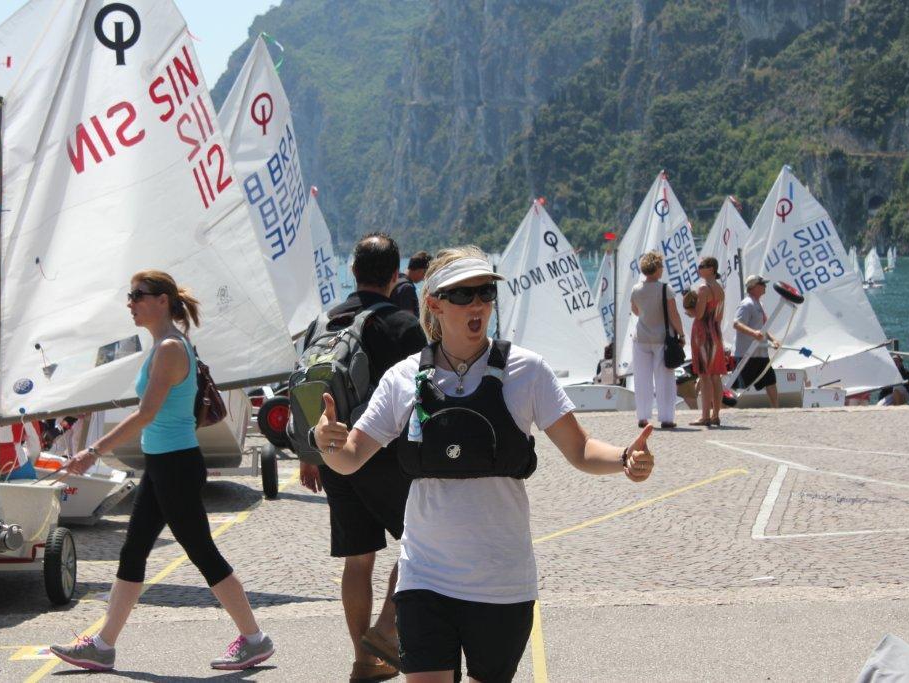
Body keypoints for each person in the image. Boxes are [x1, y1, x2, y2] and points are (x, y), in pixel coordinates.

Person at [314, 246, 655, 683]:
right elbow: (349, 458)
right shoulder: (403, 378)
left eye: (484, 293)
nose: (477, 305)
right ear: (434, 302)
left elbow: (581, 449)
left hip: (502, 582)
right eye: (462, 295)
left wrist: (626, 459)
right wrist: (326, 442)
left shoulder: (527, 371)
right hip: (424, 579)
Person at [50, 270, 273, 672]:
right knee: (133, 550)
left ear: (162, 300)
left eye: (138, 295)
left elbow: (146, 413)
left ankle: (255, 639)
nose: (130, 303)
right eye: (130, 295)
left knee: (202, 552)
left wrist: (92, 451)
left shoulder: (171, 348)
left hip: (176, 466)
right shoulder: (162, 346)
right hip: (163, 465)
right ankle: (102, 645)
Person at [299, 233, 428, 683]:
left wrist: (310, 454)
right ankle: (384, 632)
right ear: (395, 277)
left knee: (358, 560)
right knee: (420, 540)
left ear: (352, 271)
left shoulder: (325, 322)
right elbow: (423, 397)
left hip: (333, 453)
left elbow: (309, 392)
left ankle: (362, 659)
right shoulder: (403, 324)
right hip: (384, 454)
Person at [629, 251, 683, 429]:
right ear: (657, 268)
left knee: (642, 378)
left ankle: (643, 417)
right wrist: (681, 334)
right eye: (661, 266)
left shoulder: (636, 289)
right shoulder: (665, 289)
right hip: (662, 337)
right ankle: (666, 417)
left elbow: (636, 311)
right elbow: (673, 314)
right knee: (664, 378)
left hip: (641, 336)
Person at [732, 274, 780, 409]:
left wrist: (774, 339)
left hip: (760, 353)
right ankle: (722, 409)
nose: (765, 287)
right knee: (735, 385)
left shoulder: (760, 304)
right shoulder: (747, 304)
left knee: (770, 380)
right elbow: (736, 324)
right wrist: (754, 333)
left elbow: (763, 328)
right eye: (762, 284)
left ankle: (776, 409)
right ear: (753, 287)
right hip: (747, 353)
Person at [689, 257, 727, 426]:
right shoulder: (720, 289)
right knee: (716, 376)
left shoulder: (704, 289)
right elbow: (719, 315)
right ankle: (716, 414)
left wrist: (690, 310)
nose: (699, 268)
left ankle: (705, 416)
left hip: (703, 334)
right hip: (716, 332)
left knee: (705, 377)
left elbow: (698, 314)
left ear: (711, 269)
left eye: (702, 266)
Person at [390, 250, 432, 317]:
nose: (423, 279)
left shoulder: (396, 281)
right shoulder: (407, 288)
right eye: (425, 274)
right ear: (420, 271)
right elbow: (408, 320)